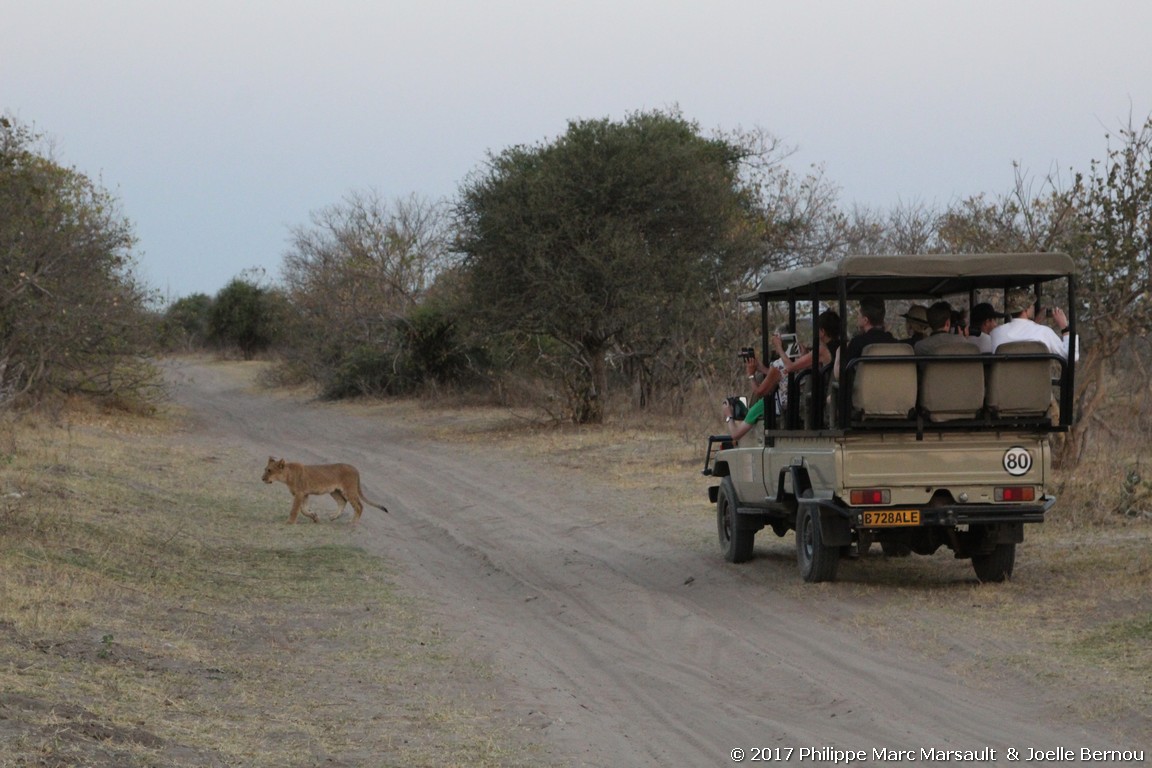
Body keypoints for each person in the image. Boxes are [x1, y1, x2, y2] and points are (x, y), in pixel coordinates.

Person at [746, 310, 842, 414]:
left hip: (820, 395)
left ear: (822, 332)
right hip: (829, 391)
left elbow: (790, 367)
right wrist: (805, 355)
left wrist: (779, 348)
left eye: (817, 330)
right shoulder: (840, 346)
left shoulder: (823, 350)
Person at [988, 287, 1079, 361]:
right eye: (1032, 305)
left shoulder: (995, 333)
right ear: (1026, 309)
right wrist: (1064, 327)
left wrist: (1035, 323)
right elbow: (1072, 357)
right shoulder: (1044, 332)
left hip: (1005, 383)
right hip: (1038, 383)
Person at [834, 297, 897, 381]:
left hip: (863, 392)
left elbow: (840, 374)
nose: (857, 317)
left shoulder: (858, 342)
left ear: (865, 320)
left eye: (858, 314)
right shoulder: (894, 342)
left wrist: (839, 352)